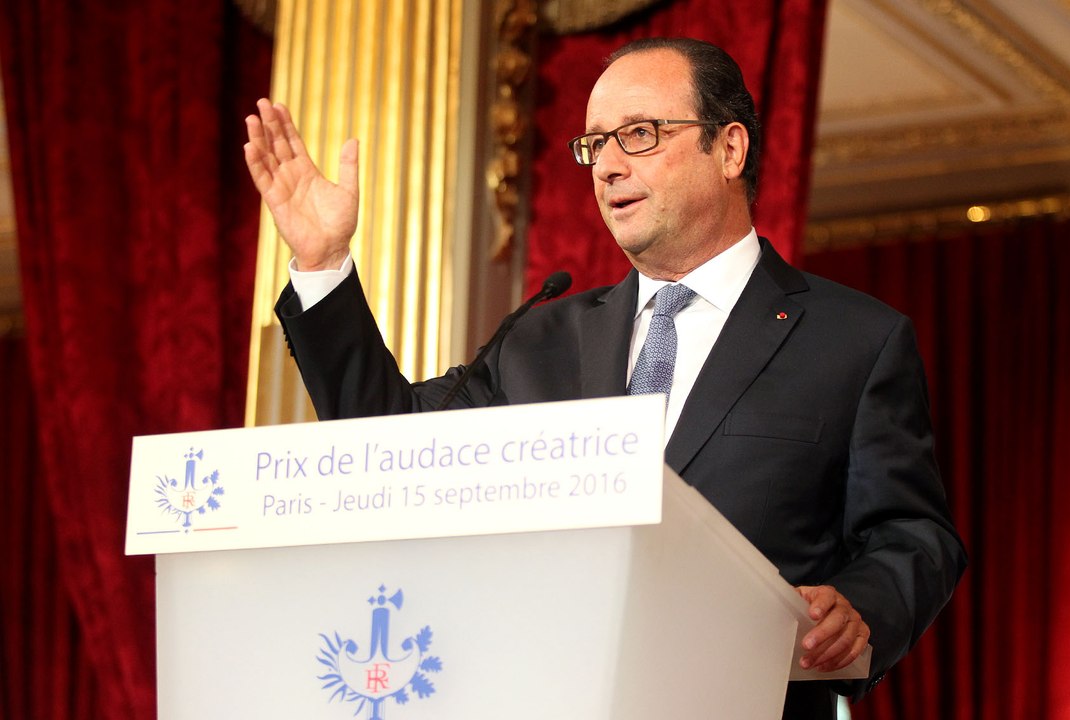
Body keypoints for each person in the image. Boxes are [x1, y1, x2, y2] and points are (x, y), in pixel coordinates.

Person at [245, 37, 966, 720]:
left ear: (730, 147)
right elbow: (394, 447)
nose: (608, 165)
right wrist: (323, 266)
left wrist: (860, 604)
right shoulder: (541, 337)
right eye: (595, 144)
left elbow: (913, 533)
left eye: (641, 133)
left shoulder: (854, 340)